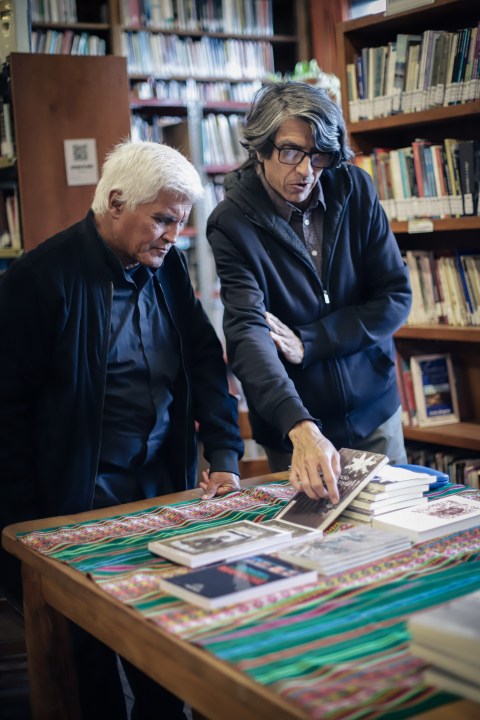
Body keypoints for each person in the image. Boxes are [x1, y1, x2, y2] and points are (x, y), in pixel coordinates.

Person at [0, 140, 244, 720]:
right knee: (90, 684)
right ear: (114, 203)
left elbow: (205, 363)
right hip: (76, 513)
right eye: (162, 220)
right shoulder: (38, 280)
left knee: (165, 671)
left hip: (163, 499)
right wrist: (28, 534)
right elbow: (6, 417)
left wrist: (225, 455)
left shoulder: (168, 268)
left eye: (180, 223)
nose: (173, 236)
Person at [207, 81, 412, 504]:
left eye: (319, 155)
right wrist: (298, 425)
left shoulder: (354, 189)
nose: (306, 170)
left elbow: (395, 297)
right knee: (310, 541)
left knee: (396, 531)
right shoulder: (231, 223)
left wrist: (312, 342)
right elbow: (248, 334)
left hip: (375, 412)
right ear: (261, 148)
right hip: (294, 429)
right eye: (290, 152)